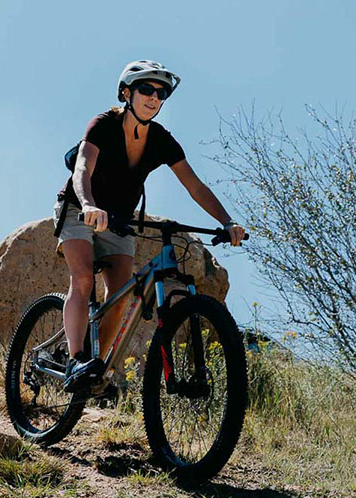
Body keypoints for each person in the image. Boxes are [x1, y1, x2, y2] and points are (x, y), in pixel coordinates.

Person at [55, 60, 247, 392]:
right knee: (83, 276)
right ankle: (74, 360)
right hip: (80, 208)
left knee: (120, 295)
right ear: (126, 93)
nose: (154, 98)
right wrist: (88, 205)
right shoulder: (103, 124)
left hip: (120, 219)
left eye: (161, 93)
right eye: (146, 89)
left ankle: (96, 368)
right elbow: (83, 168)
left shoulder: (160, 140)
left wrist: (227, 222)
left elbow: (194, 186)